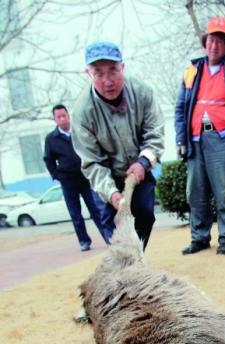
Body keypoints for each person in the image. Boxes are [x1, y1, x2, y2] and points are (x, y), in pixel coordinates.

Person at [175, 16, 225, 256]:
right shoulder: (191, 72)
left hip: (222, 138)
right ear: (205, 42)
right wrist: (181, 139)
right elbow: (180, 108)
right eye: (212, 39)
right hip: (195, 137)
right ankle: (199, 238)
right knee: (196, 191)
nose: (215, 45)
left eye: (220, 40)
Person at [72, 41, 164, 250]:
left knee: (144, 215)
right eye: (99, 73)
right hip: (106, 177)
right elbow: (92, 162)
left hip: (139, 167)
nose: (108, 81)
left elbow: (155, 134)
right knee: (111, 226)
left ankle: (136, 259)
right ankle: (124, 265)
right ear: (88, 74)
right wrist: (112, 194)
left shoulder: (142, 92)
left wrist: (143, 162)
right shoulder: (82, 112)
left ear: (122, 67)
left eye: (113, 71)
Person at [43, 104, 112, 251]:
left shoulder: (79, 132)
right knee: (75, 213)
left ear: (69, 116)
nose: (62, 119)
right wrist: (57, 175)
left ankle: (108, 237)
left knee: (96, 209)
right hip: (68, 182)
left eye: (64, 116)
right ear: (54, 119)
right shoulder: (51, 139)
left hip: (85, 178)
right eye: (59, 117)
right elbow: (48, 159)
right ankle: (84, 241)